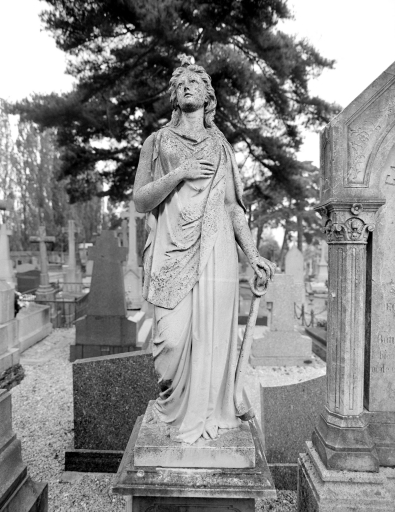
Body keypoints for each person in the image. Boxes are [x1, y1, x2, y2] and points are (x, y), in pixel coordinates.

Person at [134, 61, 275, 444]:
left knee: (212, 341)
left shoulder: (221, 146)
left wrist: (252, 254)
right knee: (170, 342)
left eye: (196, 81)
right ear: (175, 96)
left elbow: (233, 207)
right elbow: (141, 200)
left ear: (208, 96)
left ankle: (209, 416)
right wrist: (180, 173)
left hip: (216, 250)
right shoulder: (157, 142)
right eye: (181, 82)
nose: (188, 86)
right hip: (171, 253)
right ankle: (173, 408)